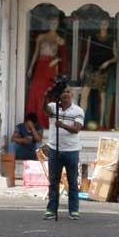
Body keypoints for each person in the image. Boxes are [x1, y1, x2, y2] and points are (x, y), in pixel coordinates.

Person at [43, 84, 85, 221]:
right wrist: (45, 96)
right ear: (59, 95)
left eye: (68, 92)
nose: (65, 94)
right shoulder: (53, 106)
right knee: (53, 182)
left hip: (72, 151)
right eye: (63, 92)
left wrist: (63, 125)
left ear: (72, 94)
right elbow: (45, 110)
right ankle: (51, 209)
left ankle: (73, 210)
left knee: (72, 182)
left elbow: (76, 129)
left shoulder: (78, 110)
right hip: (54, 149)